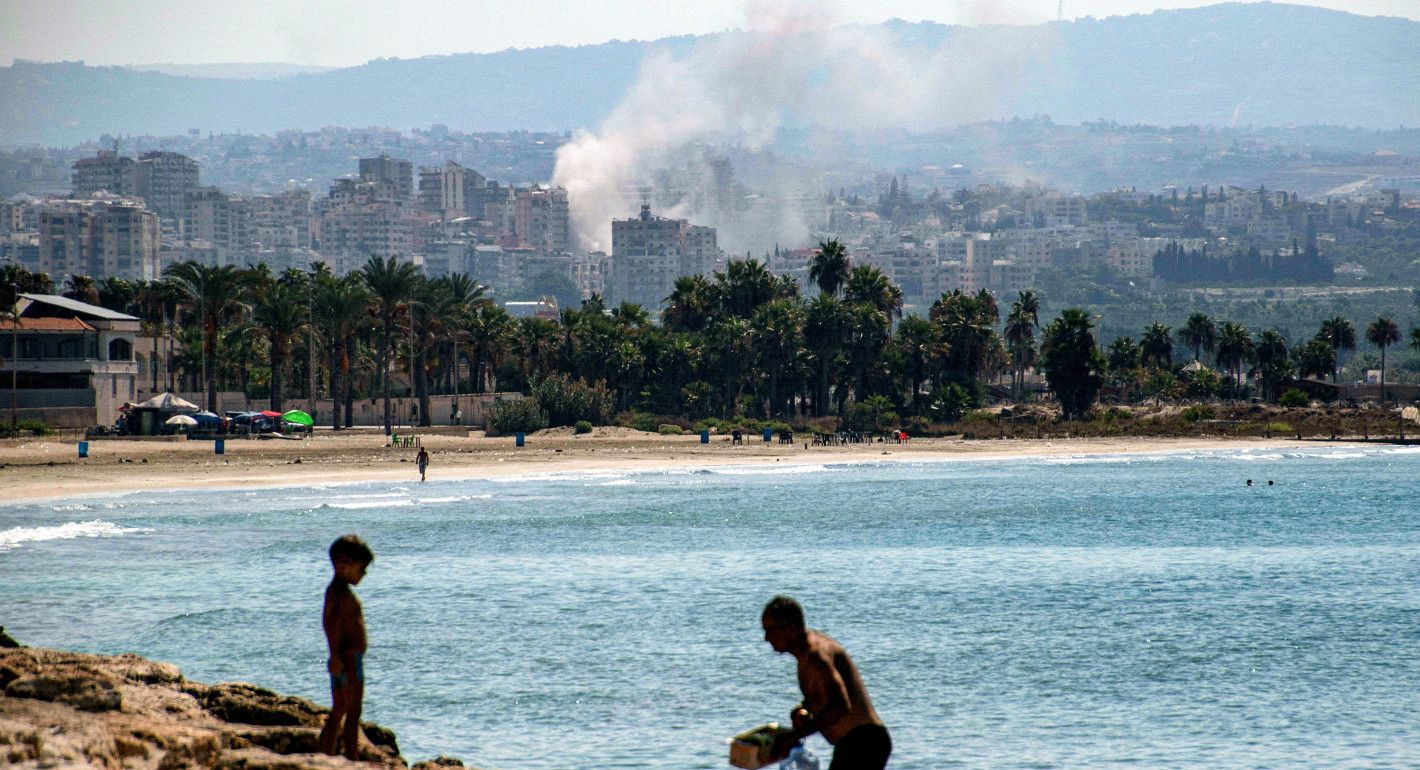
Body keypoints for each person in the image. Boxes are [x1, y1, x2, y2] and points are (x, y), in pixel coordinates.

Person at [761, 596, 891, 770]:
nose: (766, 638)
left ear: (790, 627)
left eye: (770, 630)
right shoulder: (807, 652)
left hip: (864, 743)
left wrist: (793, 737)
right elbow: (827, 694)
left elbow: (841, 706)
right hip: (856, 744)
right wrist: (805, 707)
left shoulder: (816, 656)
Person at [319, 535, 373, 760]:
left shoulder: (338, 592)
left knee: (340, 708)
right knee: (352, 712)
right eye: (362, 568)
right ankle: (352, 758)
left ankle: (326, 754)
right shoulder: (339, 594)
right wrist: (334, 656)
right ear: (344, 565)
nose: (364, 574)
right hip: (348, 660)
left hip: (343, 658)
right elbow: (329, 623)